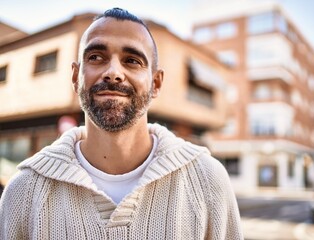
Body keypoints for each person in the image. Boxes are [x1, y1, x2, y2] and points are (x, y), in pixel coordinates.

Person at [0, 8, 243, 239]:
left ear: (156, 83)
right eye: (96, 57)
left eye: (132, 60)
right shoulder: (24, 191)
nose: (113, 72)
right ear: (76, 77)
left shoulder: (207, 180)